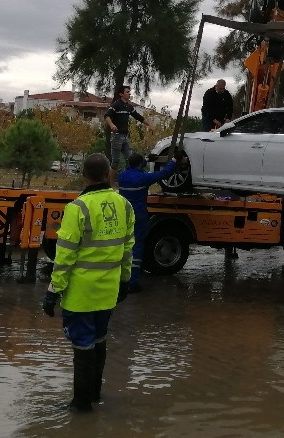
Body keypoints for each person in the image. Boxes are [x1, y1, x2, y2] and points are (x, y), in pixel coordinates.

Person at [42, 153, 135, 411]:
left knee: (82, 344)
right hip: (108, 293)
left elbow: (65, 257)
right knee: (99, 339)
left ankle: (81, 404)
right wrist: (125, 280)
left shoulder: (77, 208)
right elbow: (128, 248)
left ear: (84, 175)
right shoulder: (124, 205)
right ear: (109, 175)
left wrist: (53, 291)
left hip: (80, 295)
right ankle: (94, 394)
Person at [117, 153, 182, 292]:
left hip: (124, 215)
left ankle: (120, 280)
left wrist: (146, 159)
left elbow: (131, 166)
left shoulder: (122, 176)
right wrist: (175, 159)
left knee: (123, 247)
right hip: (139, 215)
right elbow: (165, 173)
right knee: (137, 246)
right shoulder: (143, 178)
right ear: (140, 164)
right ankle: (132, 283)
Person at [105, 85, 146, 170]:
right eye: (127, 92)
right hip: (116, 136)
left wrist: (149, 125)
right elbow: (107, 116)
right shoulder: (116, 105)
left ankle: (126, 179)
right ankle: (111, 182)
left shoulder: (129, 107)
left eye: (129, 92)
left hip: (125, 136)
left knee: (130, 160)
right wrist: (112, 125)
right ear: (121, 94)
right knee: (115, 162)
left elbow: (138, 117)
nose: (129, 94)